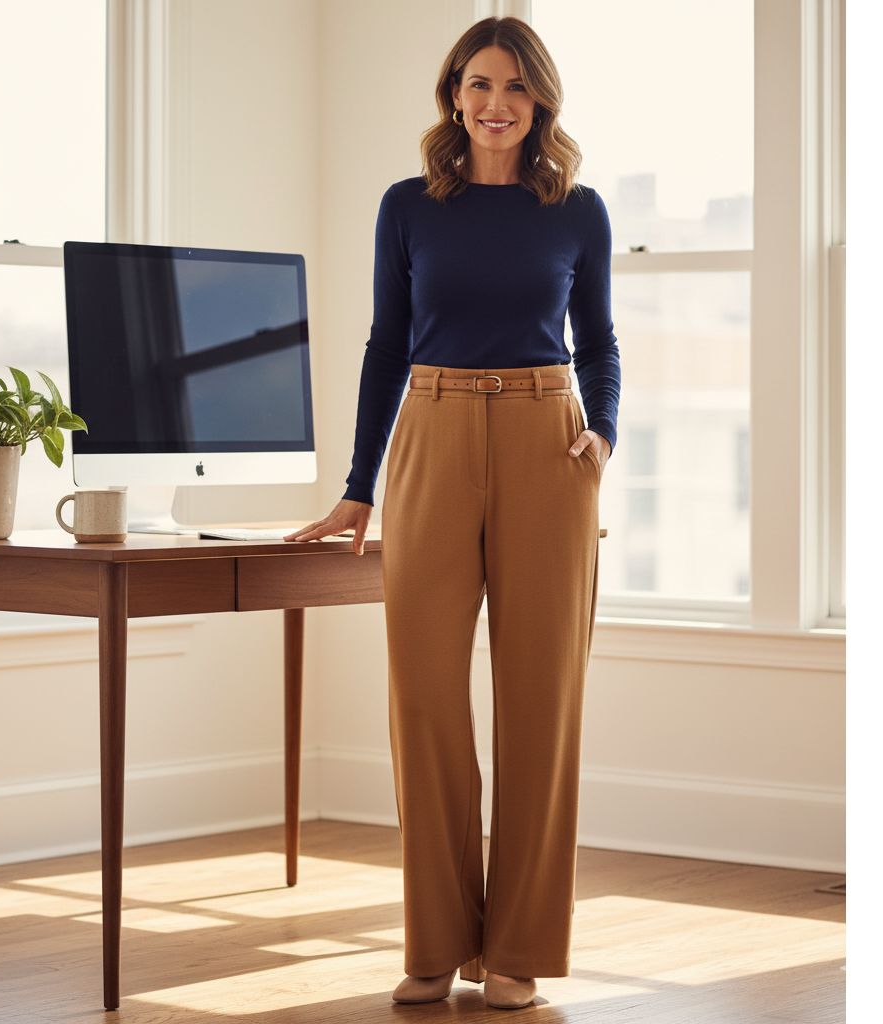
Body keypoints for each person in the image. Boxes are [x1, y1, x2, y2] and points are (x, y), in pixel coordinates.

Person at [284, 15, 620, 1010]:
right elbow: (386, 343)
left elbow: (597, 338)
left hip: (545, 440)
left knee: (538, 699)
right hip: (427, 429)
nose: (495, 105)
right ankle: (433, 941)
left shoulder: (578, 208)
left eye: (516, 89)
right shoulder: (407, 207)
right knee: (424, 695)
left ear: (541, 103)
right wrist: (358, 482)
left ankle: (516, 947)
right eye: (478, 84)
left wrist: (599, 429)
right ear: (453, 93)